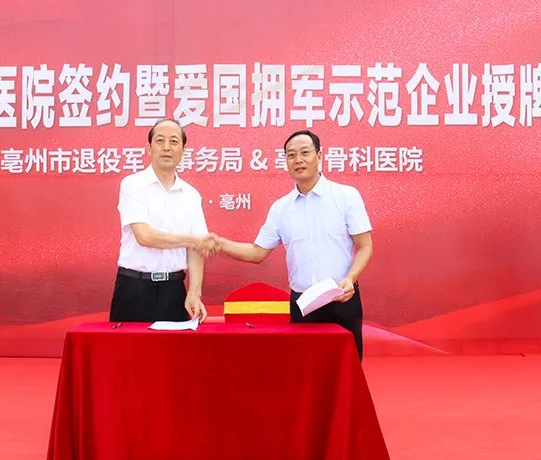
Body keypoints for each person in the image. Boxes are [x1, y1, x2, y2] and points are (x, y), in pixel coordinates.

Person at [213, 130, 373, 359]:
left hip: (342, 298)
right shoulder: (281, 208)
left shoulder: (346, 196)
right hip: (303, 304)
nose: (298, 160)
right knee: (306, 370)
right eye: (291, 155)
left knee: (347, 369)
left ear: (319, 156)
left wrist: (350, 278)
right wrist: (220, 244)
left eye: (305, 153)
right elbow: (257, 252)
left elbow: (365, 246)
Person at [109, 118, 215, 324]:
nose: (167, 147)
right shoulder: (133, 184)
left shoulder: (191, 195)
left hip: (173, 290)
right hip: (134, 288)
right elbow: (145, 236)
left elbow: (197, 248)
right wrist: (191, 240)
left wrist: (194, 292)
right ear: (149, 148)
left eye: (174, 141)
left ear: (183, 150)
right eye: (160, 141)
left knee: (176, 346)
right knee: (127, 345)